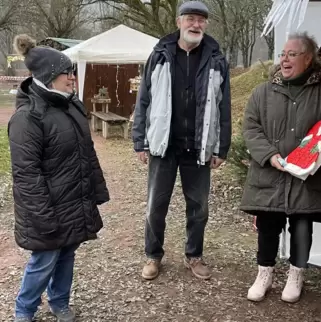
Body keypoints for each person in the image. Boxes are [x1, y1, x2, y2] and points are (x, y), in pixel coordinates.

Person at [240, 32, 321, 303]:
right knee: (268, 223)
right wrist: (269, 155)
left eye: (292, 54)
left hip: (309, 174)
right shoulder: (262, 92)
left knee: (302, 224)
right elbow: (251, 128)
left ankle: (296, 273)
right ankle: (264, 273)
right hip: (272, 170)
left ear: (308, 58)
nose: (284, 59)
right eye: (283, 54)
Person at [8, 35, 109, 322]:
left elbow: (87, 154)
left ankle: (59, 302)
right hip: (47, 208)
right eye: (67, 73)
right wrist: (43, 217)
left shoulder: (72, 105)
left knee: (67, 254)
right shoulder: (27, 118)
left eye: (73, 72)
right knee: (43, 260)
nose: (72, 78)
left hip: (74, 201)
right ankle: (24, 310)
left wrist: (95, 192)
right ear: (48, 75)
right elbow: (27, 175)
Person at [132, 0, 231, 281]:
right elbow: (144, 99)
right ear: (178, 22)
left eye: (201, 20)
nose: (195, 25)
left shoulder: (216, 59)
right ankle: (153, 256)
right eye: (190, 19)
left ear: (206, 24)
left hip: (199, 146)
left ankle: (194, 255)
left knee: (199, 206)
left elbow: (224, 107)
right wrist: (140, 140)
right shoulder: (160, 54)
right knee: (155, 205)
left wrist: (221, 146)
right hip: (164, 146)